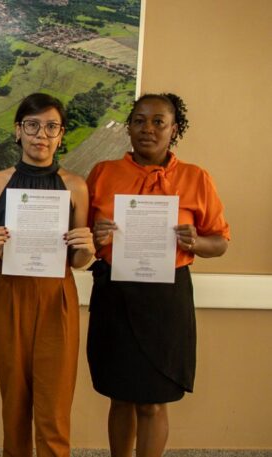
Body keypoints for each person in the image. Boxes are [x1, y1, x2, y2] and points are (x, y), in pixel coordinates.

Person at [86, 93, 230, 457]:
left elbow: (220, 241)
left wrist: (196, 242)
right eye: (138, 120)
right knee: (120, 397)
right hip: (115, 293)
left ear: (173, 129)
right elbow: (80, 238)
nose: (146, 129)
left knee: (153, 401)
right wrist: (95, 236)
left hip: (167, 300)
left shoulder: (196, 178)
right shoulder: (103, 173)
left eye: (157, 121)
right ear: (129, 126)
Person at [0, 93, 94, 457]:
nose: (41, 135)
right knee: (14, 403)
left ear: (60, 135)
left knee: (54, 407)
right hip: (8, 294)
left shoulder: (75, 186)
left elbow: (78, 260)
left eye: (51, 127)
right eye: (32, 126)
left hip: (57, 297)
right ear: (18, 131)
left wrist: (87, 246)